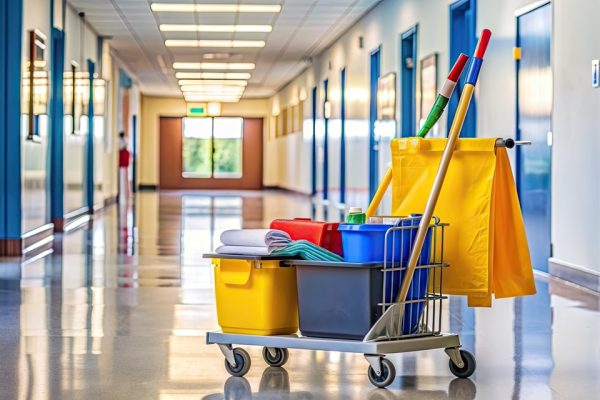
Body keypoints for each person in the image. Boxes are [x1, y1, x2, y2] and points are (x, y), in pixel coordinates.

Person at [118, 132, 130, 204]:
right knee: (123, 177)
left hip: (124, 164)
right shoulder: (121, 142)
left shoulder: (125, 141)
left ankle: (126, 191)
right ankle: (124, 191)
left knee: (125, 177)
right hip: (122, 164)